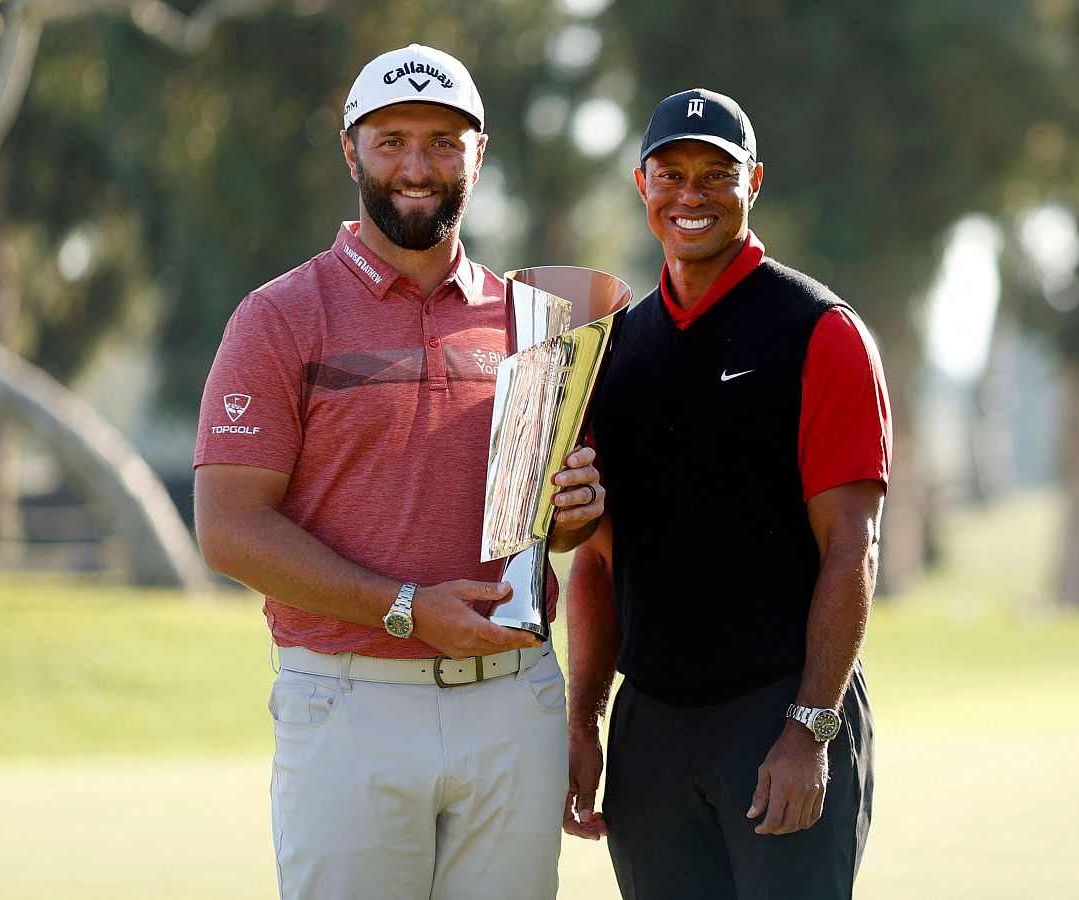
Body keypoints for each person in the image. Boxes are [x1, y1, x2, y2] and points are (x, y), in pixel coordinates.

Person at [192, 44, 602, 900]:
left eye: (444, 143)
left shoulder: (534, 320)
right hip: (349, 702)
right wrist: (407, 608)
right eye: (391, 141)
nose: (417, 167)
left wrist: (575, 512)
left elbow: (549, 532)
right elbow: (228, 529)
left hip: (513, 700)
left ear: (479, 154)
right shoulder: (279, 317)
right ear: (351, 151)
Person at [563, 88, 892, 899]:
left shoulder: (820, 331)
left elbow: (851, 546)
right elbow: (597, 563)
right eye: (671, 174)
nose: (692, 194)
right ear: (642, 185)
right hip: (651, 728)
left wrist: (809, 729)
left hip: (778, 713)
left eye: (717, 174)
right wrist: (584, 721)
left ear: (755, 183)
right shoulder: (614, 349)